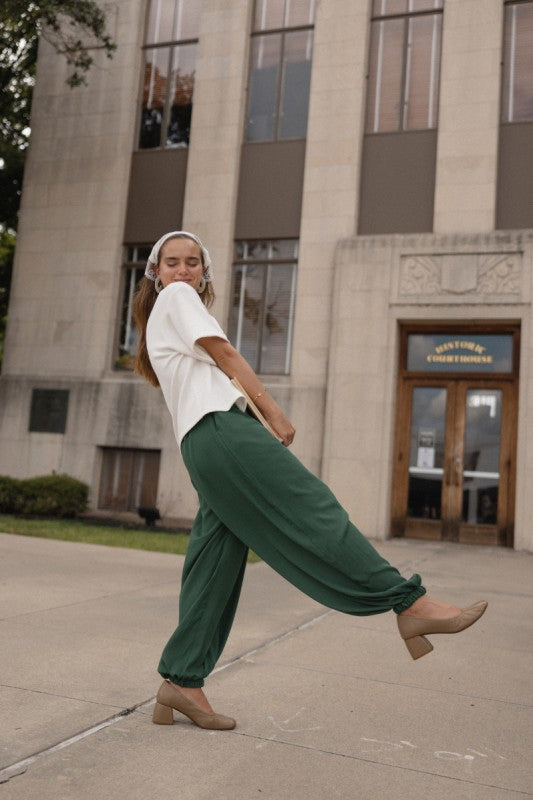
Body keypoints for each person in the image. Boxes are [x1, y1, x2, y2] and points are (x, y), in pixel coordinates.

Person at [133, 231, 487, 732]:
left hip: (204, 442)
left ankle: (182, 680)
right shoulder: (177, 298)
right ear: (156, 273)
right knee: (310, 505)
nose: (184, 271)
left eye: (193, 263)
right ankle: (409, 601)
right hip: (222, 430)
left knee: (215, 560)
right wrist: (273, 413)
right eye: (173, 263)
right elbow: (227, 356)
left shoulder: (166, 313)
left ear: (204, 272)